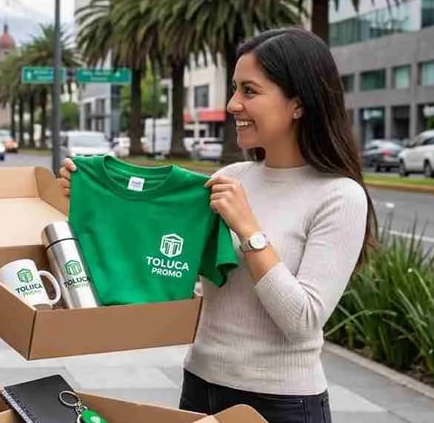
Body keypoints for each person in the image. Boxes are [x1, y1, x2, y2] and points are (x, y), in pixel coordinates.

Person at [58, 28, 376, 423]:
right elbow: (174, 269)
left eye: (249, 91)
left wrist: (249, 231)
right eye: (234, 90)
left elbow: (303, 321)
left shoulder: (339, 196)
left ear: (298, 103)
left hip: (282, 404)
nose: (232, 105)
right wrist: (97, 202)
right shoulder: (232, 176)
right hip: (200, 387)